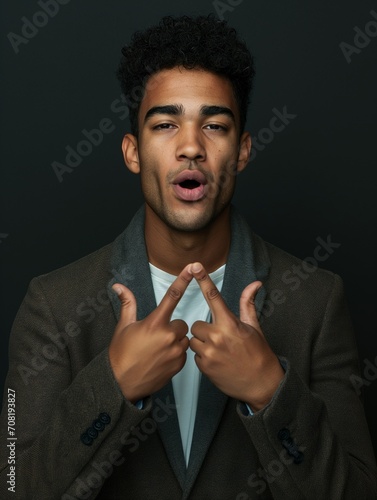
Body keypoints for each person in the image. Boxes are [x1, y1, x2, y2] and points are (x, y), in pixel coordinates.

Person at [0, 14, 376, 500]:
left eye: (214, 125)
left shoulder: (318, 301)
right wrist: (113, 386)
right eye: (165, 124)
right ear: (132, 152)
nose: (192, 146)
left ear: (241, 151)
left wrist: (269, 392)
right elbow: (12, 485)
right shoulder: (51, 304)